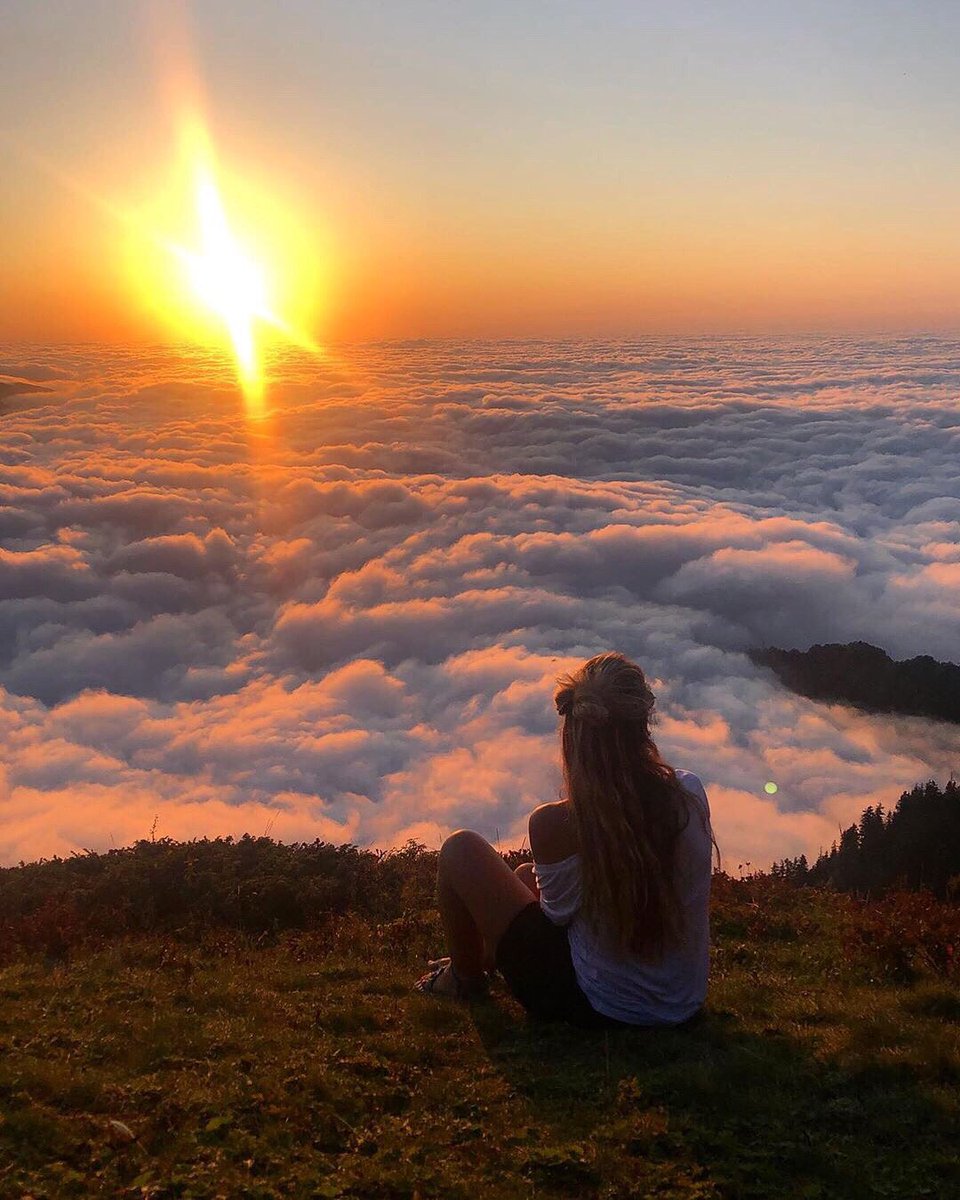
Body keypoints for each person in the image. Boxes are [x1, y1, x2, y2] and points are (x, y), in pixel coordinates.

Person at [415, 651, 717, 1028]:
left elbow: (556, 921)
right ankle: (478, 960)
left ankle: (464, 978)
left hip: (594, 1006)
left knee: (460, 849)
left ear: (572, 730)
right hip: (681, 1003)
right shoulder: (688, 792)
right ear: (644, 723)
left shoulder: (556, 822)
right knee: (526, 875)